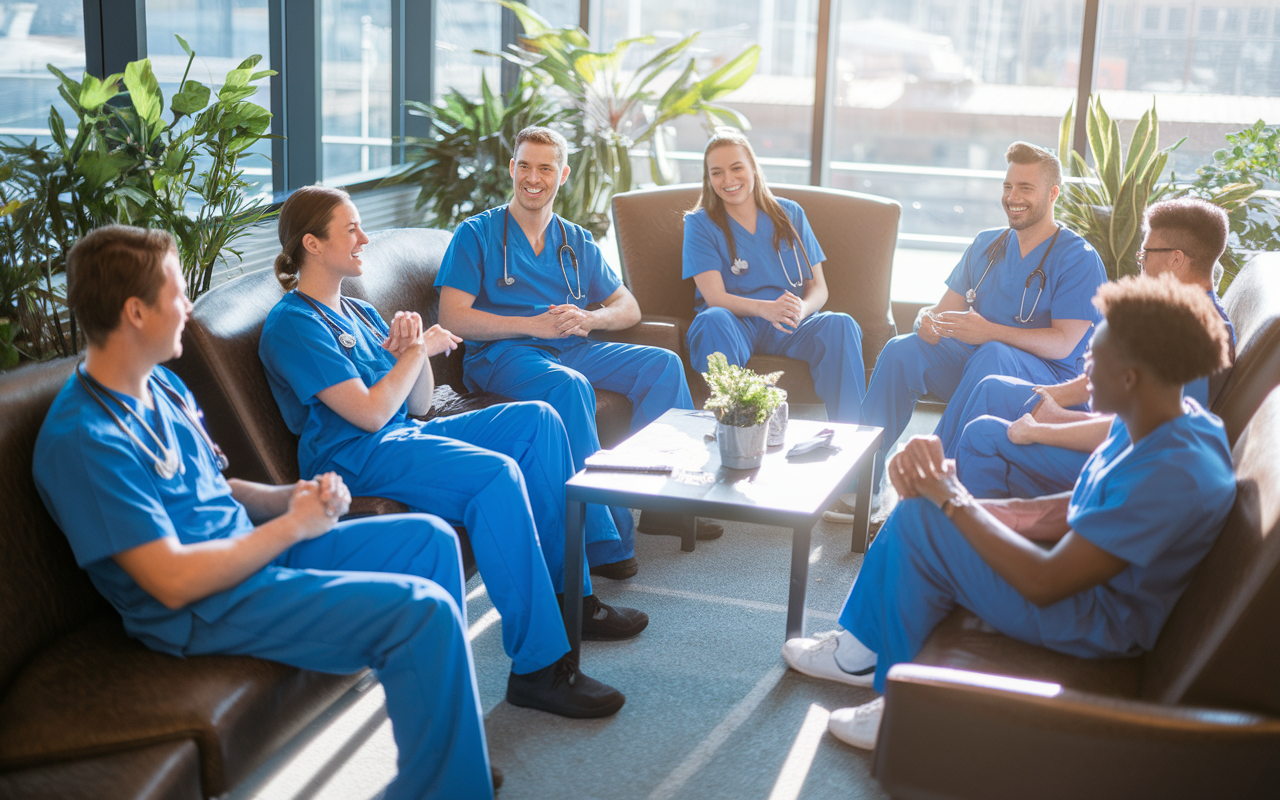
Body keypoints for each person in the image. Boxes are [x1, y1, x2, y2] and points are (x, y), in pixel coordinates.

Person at [33, 225, 494, 799]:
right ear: (134, 311)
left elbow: (217, 489)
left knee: (429, 542)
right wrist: (290, 529)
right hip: (204, 605)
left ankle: (446, 749)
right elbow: (172, 582)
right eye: (176, 293)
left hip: (254, 557)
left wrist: (290, 500)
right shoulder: (86, 438)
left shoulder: (162, 387)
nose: (187, 306)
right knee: (419, 611)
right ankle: (448, 785)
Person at [781, 274, 1235, 751]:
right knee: (924, 507)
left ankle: (902, 709)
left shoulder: (1169, 474)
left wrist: (954, 502)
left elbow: (1046, 581)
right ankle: (862, 652)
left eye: (1094, 357)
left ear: (1130, 377)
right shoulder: (1164, 418)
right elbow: (1070, 509)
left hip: (1095, 619)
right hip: (1084, 587)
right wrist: (961, 502)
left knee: (923, 515)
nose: (1084, 367)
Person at [258, 186, 643, 720]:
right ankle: (540, 668)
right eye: (350, 229)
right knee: (494, 477)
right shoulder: (293, 325)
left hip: (400, 435)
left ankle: (572, 599)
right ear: (312, 244)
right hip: (353, 456)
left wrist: (414, 356)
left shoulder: (362, 312)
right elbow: (368, 414)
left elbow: (415, 405)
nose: (363, 238)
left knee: (539, 421)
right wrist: (414, 351)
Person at [435, 126, 719, 580]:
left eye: (545, 167)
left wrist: (592, 319)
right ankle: (603, 539)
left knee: (663, 365)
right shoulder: (477, 234)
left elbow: (628, 307)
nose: (533, 177)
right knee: (569, 387)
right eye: (524, 165)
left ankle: (666, 502)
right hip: (505, 356)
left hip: (571, 346)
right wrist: (532, 325)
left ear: (562, 174)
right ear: (512, 169)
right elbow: (452, 316)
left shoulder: (576, 240)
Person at [861, 141, 1108, 495]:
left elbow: (1063, 344)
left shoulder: (1078, 257)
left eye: (1026, 187)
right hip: (978, 362)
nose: (1013, 197)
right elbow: (940, 311)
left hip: (1048, 381)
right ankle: (861, 481)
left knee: (993, 353)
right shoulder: (986, 245)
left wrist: (989, 332)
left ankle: (930, 482)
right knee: (903, 350)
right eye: (1008, 186)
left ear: (1053, 193)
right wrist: (924, 322)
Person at [955, 198, 1236, 499]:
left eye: (1145, 255)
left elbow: (1149, 434)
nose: (1140, 264)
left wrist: (1051, 422)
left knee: (982, 434)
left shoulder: (1197, 332)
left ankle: (956, 508)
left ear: (1176, 259)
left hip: (1122, 461)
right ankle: (939, 474)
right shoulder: (1173, 312)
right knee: (994, 388)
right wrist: (1054, 395)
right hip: (1108, 421)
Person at [681, 130, 865, 425]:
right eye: (717, 173)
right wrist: (765, 309)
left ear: (753, 167)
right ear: (708, 178)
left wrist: (800, 310)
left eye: (736, 168)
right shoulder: (700, 224)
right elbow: (715, 297)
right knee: (711, 319)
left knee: (841, 324)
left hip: (789, 324)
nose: (728, 180)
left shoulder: (789, 213)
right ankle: (733, 432)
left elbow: (818, 287)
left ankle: (854, 440)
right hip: (734, 324)